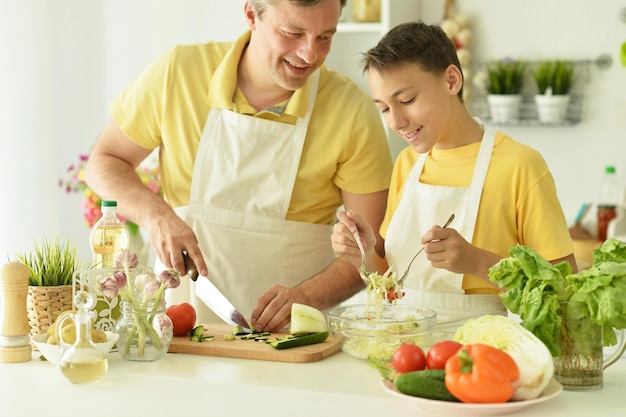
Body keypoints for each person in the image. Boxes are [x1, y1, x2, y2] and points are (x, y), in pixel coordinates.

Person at [84, 0, 393, 332]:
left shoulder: (352, 112)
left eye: (325, 37)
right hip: (178, 328)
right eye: (293, 33)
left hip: (291, 340)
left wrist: (307, 296)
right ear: (251, 15)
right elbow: (104, 162)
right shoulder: (179, 73)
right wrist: (157, 218)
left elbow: (370, 253)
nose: (309, 55)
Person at [331, 21, 577, 340]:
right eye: (384, 109)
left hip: (482, 348)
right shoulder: (407, 164)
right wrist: (361, 254)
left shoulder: (520, 166)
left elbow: (564, 291)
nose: (397, 121)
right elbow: (394, 287)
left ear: (451, 80)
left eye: (406, 100)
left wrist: (478, 263)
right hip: (399, 344)